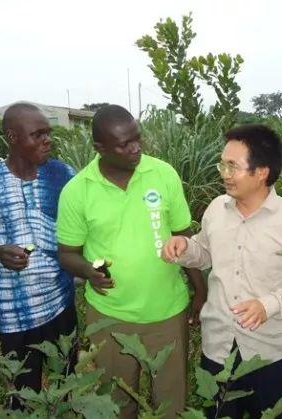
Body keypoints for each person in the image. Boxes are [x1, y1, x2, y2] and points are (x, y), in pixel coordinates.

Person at [161, 124, 282, 419]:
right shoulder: (216, 209)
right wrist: (184, 247)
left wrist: (268, 305)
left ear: (261, 172)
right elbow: (206, 252)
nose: (223, 172)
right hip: (218, 345)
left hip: (268, 351)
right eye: (222, 164)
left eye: (232, 166)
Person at [56, 104, 206, 418]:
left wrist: (200, 292)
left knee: (170, 402)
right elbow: (67, 253)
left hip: (167, 312)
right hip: (110, 316)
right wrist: (88, 272)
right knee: (116, 401)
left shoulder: (162, 173)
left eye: (137, 138)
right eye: (124, 144)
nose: (135, 148)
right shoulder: (77, 191)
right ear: (99, 148)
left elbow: (184, 237)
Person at [0, 103, 77, 407]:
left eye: (47, 134)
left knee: (68, 383)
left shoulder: (64, 176)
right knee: (23, 393)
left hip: (60, 301)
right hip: (15, 311)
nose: (46, 141)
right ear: (12, 137)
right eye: (37, 135)